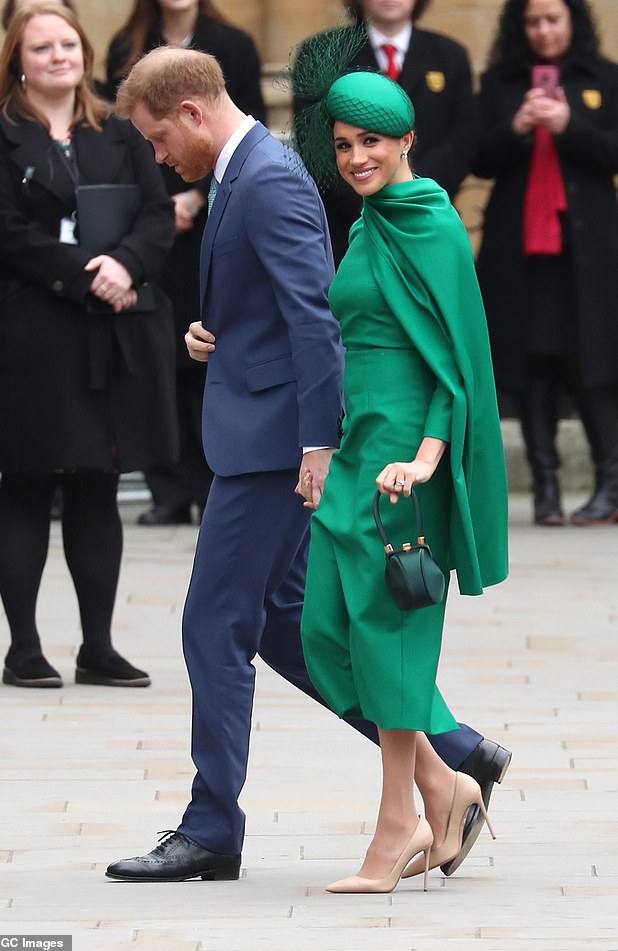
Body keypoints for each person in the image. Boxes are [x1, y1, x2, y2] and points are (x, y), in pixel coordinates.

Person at [105, 46, 511, 885]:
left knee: (214, 625)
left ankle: (213, 824)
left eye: (154, 139)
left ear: (187, 111)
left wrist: (321, 447)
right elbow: (320, 305)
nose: (156, 158)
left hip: (293, 449)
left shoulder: (274, 179)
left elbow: (349, 333)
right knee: (300, 627)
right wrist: (220, 336)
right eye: (346, 142)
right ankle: (450, 762)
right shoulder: (265, 178)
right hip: (290, 435)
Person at [293, 69, 508, 892]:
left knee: (387, 636)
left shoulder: (432, 223)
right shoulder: (371, 221)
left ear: (407, 139)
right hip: (356, 451)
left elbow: (455, 362)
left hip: (402, 463)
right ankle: (443, 785)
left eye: (370, 141)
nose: (355, 157)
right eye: (344, 145)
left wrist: (425, 455)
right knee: (325, 635)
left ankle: (395, 831)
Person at [0, 3, 178, 688]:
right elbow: (3, 230)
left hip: (113, 328)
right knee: (29, 479)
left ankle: (98, 646)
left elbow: (158, 211)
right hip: (32, 331)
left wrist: (125, 263)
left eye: (68, 43)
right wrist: (86, 274)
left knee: (99, 478)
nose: (58, 56)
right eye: (41, 47)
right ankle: (24, 648)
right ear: (18, 60)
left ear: (86, 54)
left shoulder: (120, 129)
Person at [104, 0, 266, 526]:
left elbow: (239, 129)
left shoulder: (232, 44)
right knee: (165, 352)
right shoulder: (125, 47)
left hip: (210, 209)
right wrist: (153, 206)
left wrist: (199, 197)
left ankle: (210, 478)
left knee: (212, 340)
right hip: (151, 226)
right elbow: (126, 143)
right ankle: (170, 486)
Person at [473, 0, 618, 526]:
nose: (544, 30)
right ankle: (547, 490)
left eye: (553, 19)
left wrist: (568, 124)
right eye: (533, 21)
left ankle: (609, 485)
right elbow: (479, 158)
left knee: (592, 365)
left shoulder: (603, 77)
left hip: (587, 252)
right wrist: (515, 126)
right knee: (532, 364)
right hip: (521, 250)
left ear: (573, 21)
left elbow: (611, 151)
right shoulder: (500, 81)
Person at [293, 0, 478, 262]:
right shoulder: (323, 53)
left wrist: (414, 194)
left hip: (427, 223)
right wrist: (365, 198)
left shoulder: (450, 56)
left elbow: (464, 137)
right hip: (346, 231)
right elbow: (312, 140)